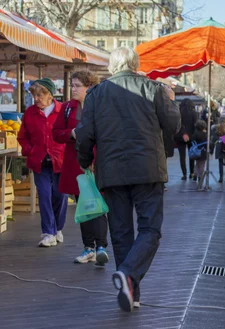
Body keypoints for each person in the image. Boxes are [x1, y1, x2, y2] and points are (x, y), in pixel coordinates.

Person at [76, 47, 181, 312]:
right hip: (147, 170)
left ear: (112, 66)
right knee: (150, 229)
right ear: (135, 65)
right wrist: (171, 99)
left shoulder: (96, 94)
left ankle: (129, 290)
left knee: (121, 233)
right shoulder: (153, 88)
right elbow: (173, 126)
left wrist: (84, 160)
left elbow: (85, 133)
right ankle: (129, 276)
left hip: (111, 172)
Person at [52, 70, 109, 264]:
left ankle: (101, 246)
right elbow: (56, 133)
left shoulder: (101, 107)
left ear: (89, 87)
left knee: (98, 206)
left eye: (77, 86)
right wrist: (72, 133)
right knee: (83, 207)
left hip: (97, 164)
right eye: (72, 85)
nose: (73, 89)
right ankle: (88, 248)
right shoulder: (67, 107)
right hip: (75, 165)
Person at [17, 78, 67, 248]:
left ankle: (58, 228)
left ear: (50, 95)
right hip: (39, 161)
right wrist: (30, 150)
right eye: (34, 95)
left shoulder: (62, 110)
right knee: (44, 195)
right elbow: (22, 137)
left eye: (39, 95)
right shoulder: (30, 113)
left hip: (60, 160)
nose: (36, 98)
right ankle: (48, 233)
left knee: (60, 196)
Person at [175, 98, 197, 181]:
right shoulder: (194, 113)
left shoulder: (179, 113)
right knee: (192, 155)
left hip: (180, 137)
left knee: (182, 156)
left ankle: (184, 174)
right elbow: (196, 125)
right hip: (191, 137)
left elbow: (178, 125)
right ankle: (192, 173)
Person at [211, 116, 225, 183]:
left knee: (220, 162)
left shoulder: (216, 129)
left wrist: (211, 150)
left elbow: (213, 139)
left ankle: (221, 178)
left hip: (219, 147)